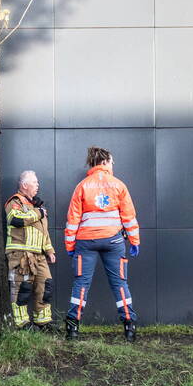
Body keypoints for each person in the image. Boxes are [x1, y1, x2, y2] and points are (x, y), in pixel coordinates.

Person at [63, 146, 140, 342]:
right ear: (105, 162)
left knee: (81, 283)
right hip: (114, 241)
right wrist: (134, 240)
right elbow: (129, 217)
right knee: (120, 283)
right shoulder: (118, 185)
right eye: (112, 162)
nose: (113, 165)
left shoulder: (82, 186)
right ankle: (129, 327)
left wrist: (70, 246)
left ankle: (72, 328)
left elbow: (73, 220)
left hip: (86, 241)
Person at [4, 170, 56, 329]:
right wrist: (38, 213)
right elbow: (15, 219)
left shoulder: (36, 206)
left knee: (45, 286)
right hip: (21, 255)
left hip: (39, 256)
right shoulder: (15, 201)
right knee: (22, 291)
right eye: (35, 182)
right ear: (24, 185)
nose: (38, 185)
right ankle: (22, 325)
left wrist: (49, 250)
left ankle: (43, 322)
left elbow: (43, 232)